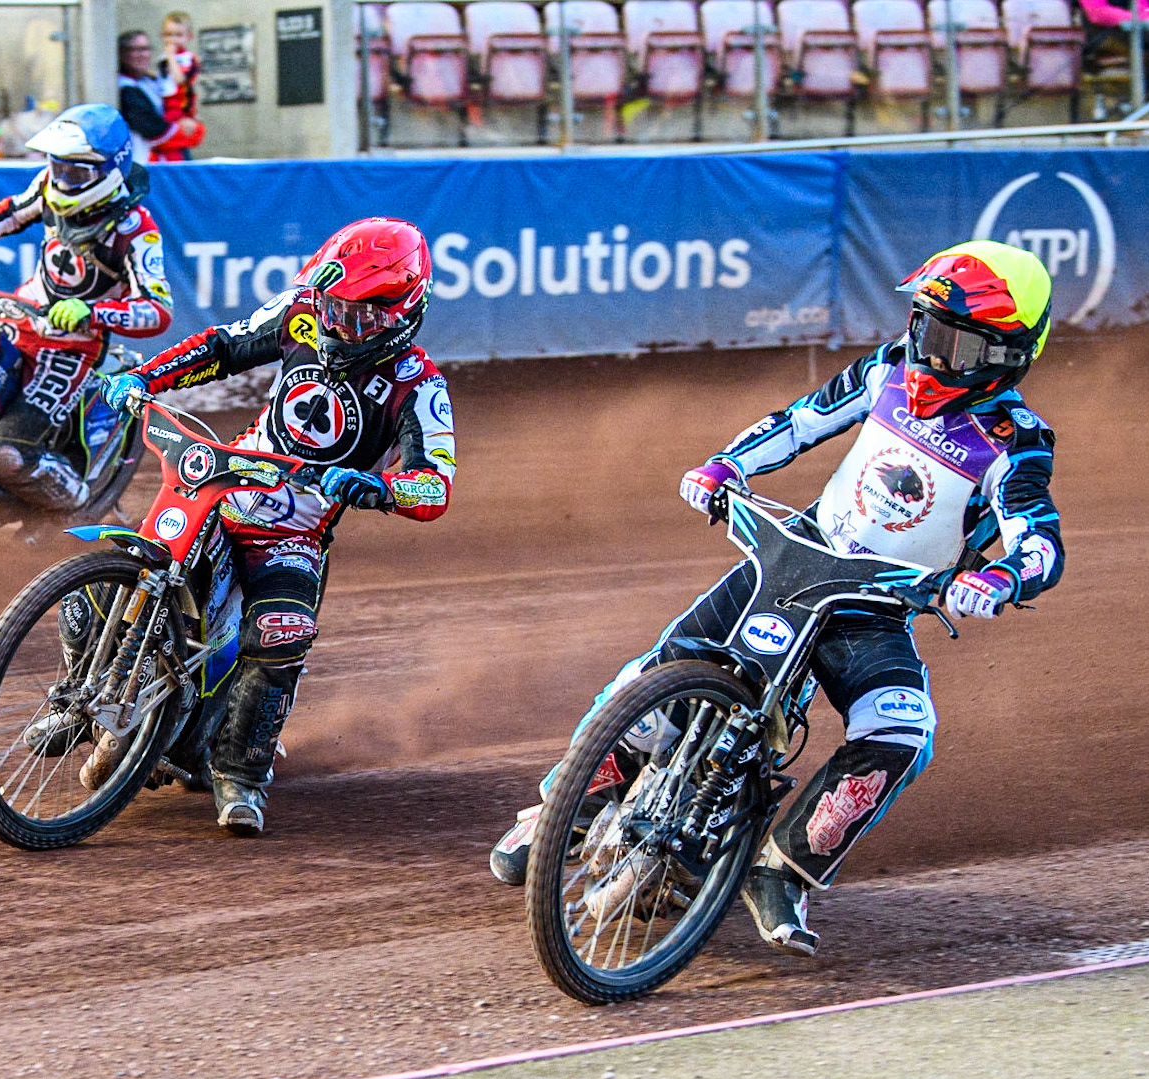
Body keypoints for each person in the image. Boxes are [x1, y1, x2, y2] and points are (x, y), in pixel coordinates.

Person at [486, 241, 1064, 955]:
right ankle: (555, 815)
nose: (927, 353)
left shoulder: (1015, 442)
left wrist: (1001, 579)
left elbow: (1039, 541)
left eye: (952, 342)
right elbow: (797, 422)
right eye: (923, 328)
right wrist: (725, 464)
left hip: (874, 608)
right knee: (647, 679)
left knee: (900, 733)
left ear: (1005, 356)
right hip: (791, 556)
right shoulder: (884, 369)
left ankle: (782, 870)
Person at [97, 217, 457, 835]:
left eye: (361, 316)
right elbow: (222, 347)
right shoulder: (304, 316)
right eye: (334, 307)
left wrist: (379, 487)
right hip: (222, 488)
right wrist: (144, 377)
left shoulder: (420, 389)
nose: (341, 325)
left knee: (281, 631)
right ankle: (77, 700)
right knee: (112, 571)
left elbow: (436, 485)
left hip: (294, 533)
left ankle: (240, 772)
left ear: (403, 312)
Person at [0, 103, 173, 513]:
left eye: (75, 171)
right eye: (57, 166)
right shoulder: (46, 187)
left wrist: (92, 313)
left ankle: (78, 503)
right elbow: (11, 212)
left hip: (71, 350)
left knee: (8, 456)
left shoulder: (136, 229)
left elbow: (159, 309)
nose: (61, 178)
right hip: (20, 322)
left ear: (110, 170)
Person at [117, 29, 196, 163]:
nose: (143, 55)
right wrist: (189, 131)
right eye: (135, 50)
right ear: (122, 54)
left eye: (145, 49)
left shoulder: (150, 81)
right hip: (142, 160)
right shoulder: (125, 88)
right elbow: (153, 130)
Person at [150, 12, 203, 162]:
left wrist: (172, 58)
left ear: (189, 37)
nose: (173, 40)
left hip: (180, 108)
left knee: (177, 153)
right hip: (165, 108)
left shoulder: (189, 58)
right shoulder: (163, 58)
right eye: (169, 35)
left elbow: (180, 80)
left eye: (178, 35)